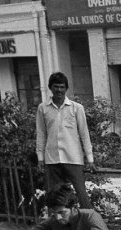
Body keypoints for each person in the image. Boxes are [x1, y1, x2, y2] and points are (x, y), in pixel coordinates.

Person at [36, 72, 96, 209]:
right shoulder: (43, 108)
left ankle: (90, 227)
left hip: (73, 158)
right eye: (56, 87)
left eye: (62, 87)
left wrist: (90, 159)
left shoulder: (76, 108)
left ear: (66, 88)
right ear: (50, 88)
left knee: (82, 195)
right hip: (52, 159)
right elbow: (40, 134)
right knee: (57, 198)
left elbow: (84, 134)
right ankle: (64, 228)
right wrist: (40, 158)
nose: (59, 90)